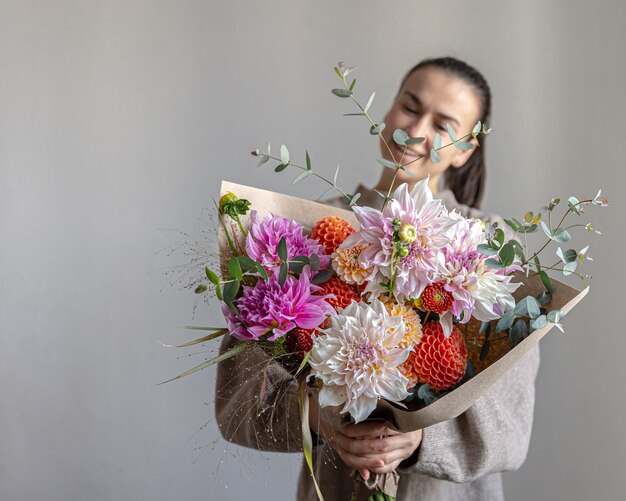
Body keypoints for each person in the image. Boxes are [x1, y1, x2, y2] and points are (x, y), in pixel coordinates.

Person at [215, 57, 540, 501]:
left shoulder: (489, 254)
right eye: (410, 107)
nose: (417, 129)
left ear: (466, 150)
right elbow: (240, 390)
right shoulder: (306, 236)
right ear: (385, 112)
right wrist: (317, 417)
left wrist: (420, 441)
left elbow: (511, 424)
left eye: (444, 124)